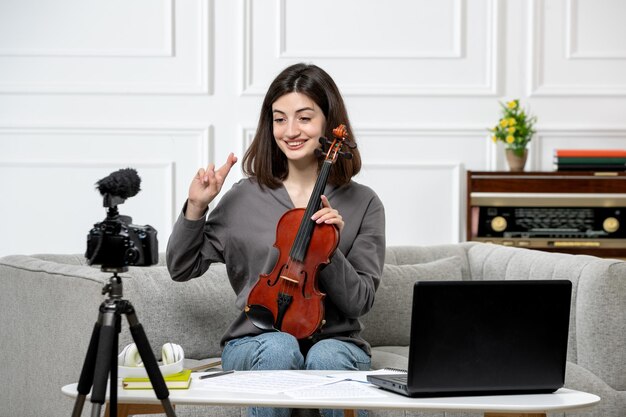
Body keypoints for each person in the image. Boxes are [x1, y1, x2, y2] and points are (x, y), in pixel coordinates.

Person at [166, 63, 386, 417]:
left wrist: (327, 247)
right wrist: (196, 206)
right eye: (279, 118)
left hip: (337, 342)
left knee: (325, 355)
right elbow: (181, 267)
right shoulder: (244, 197)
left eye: (304, 117)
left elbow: (360, 302)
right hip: (255, 339)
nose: (290, 130)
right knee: (280, 346)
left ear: (328, 124)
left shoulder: (364, 202)